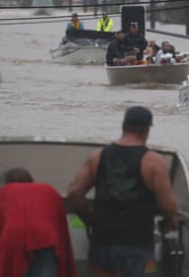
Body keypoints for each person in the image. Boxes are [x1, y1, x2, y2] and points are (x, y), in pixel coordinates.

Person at [67, 106, 179, 276]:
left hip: (102, 242)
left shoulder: (98, 156)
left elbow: (74, 193)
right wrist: (170, 220)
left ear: (123, 126)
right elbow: (168, 206)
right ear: (147, 129)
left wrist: (90, 220)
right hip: (138, 245)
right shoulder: (154, 162)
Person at [0, 168, 76, 277]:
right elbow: (60, 225)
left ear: (7, 182)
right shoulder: (49, 190)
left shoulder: (1, 194)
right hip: (46, 238)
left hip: (13, 237)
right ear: (31, 180)